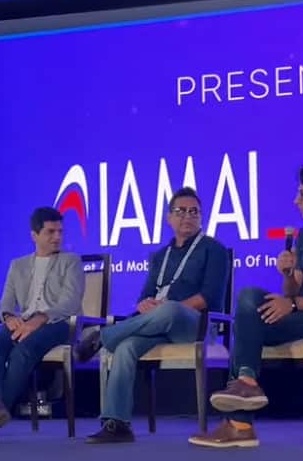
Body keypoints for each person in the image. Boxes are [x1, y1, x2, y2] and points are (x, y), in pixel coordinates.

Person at [189, 164, 303, 448]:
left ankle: (240, 425)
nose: (296, 200)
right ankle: (247, 383)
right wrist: (287, 274)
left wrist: (293, 304)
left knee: (249, 323)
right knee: (249, 299)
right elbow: (293, 289)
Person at [75, 187, 230, 444]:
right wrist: (146, 304)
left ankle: (103, 336)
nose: (188, 216)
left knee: (170, 309)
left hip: (196, 325)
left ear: (201, 217)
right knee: (126, 346)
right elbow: (145, 296)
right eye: (181, 211)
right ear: (169, 218)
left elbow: (208, 298)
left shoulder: (213, 250)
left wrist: (169, 308)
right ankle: (117, 423)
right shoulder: (160, 256)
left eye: (194, 212)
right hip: (158, 325)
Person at [0, 207, 85, 443]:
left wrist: (39, 319)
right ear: (34, 235)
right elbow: (5, 302)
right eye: (50, 232)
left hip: (59, 323)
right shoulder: (18, 265)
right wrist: (8, 317)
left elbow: (70, 303)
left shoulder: (71, 262)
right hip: (24, 321)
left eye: (60, 231)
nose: (57, 237)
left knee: (22, 351)